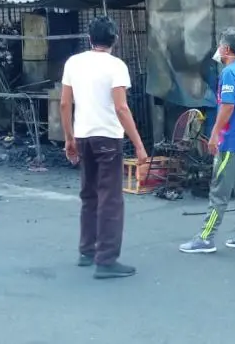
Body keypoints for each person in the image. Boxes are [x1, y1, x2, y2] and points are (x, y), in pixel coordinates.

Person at [60, 16, 148, 280]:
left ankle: (87, 251)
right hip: (108, 136)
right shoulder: (116, 66)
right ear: (115, 40)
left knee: (89, 194)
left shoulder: (74, 62)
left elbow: (65, 104)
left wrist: (69, 138)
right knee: (110, 198)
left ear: (89, 39)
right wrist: (139, 146)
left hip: (83, 134)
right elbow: (121, 107)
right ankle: (106, 260)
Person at [180, 27, 235, 254]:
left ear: (225, 48)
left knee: (219, 192)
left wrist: (215, 134)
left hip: (232, 144)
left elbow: (227, 106)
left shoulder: (229, 73)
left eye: (219, 46)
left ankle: (206, 238)